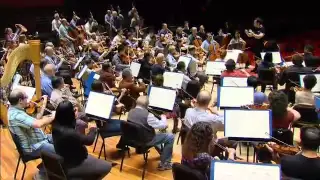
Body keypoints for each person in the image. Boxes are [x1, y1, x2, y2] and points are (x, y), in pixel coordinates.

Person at [52, 100, 112, 179]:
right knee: (107, 166)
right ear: (70, 114)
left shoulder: (55, 125)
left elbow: (70, 126)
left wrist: (74, 117)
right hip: (74, 164)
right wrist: (92, 129)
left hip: (65, 159)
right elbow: (89, 140)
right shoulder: (70, 133)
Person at [8, 89, 55, 179]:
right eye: (26, 97)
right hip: (33, 147)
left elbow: (36, 120)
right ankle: (42, 174)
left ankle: (46, 167)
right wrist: (52, 116)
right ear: (20, 101)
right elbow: (38, 124)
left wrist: (44, 104)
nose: (29, 99)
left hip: (40, 139)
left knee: (61, 140)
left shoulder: (16, 109)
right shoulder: (16, 116)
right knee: (60, 151)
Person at [127, 96, 175, 170]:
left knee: (154, 133)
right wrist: (164, 116)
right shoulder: (148, 116)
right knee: (170, 136)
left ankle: (163, 153)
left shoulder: (130, 112)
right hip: (145, 141)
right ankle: (165, 163)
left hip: (133, 140)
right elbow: (163, 125)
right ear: (147, 105)